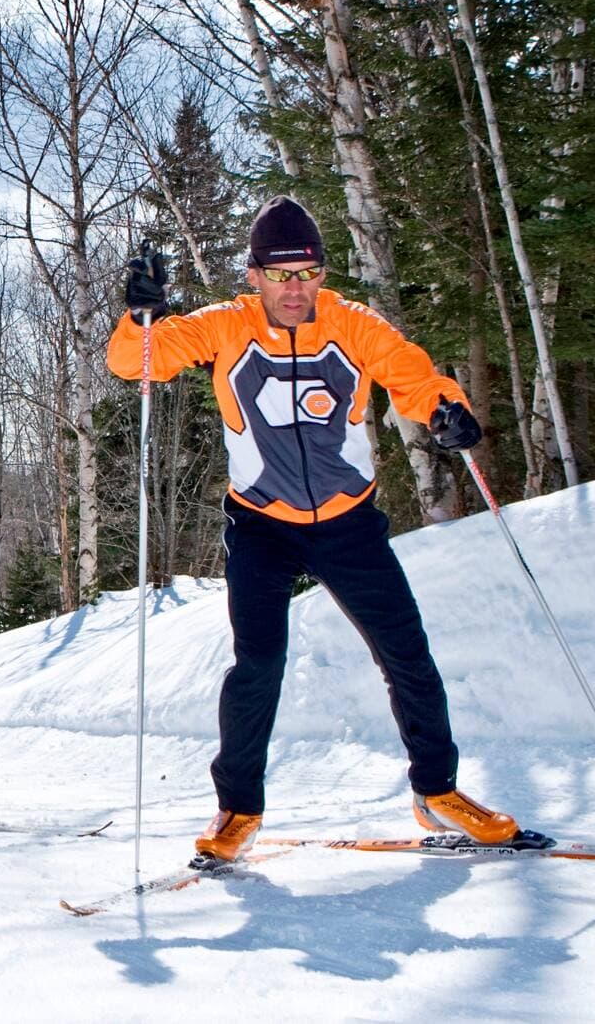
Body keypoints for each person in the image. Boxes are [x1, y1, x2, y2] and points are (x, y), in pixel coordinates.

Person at [107, 195, 517, 862]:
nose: (294, 289)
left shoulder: (353, 324)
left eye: (307, 273)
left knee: (406, 653)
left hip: (348, 521)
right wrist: (138, 316)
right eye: (279, 274)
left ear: (323, 273)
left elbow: (413, 376)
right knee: (259, 663)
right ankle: (239, 806)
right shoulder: (226, 325)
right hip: (261, 524)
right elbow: (138, 361)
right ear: (254, 275)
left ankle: (437, 790)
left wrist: (447, 409)